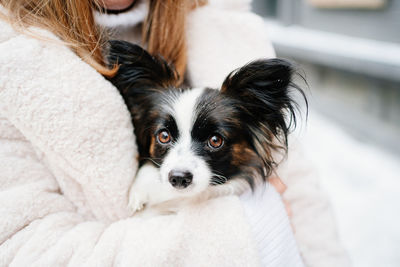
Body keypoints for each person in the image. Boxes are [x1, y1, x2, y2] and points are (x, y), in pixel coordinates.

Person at [0, 0, 350, 266]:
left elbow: (300, 190)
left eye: (214, 141)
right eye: (166, 137)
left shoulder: (217, 19)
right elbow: (20, 244)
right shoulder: (12, 51)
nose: (181, 165)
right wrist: (255, 224)